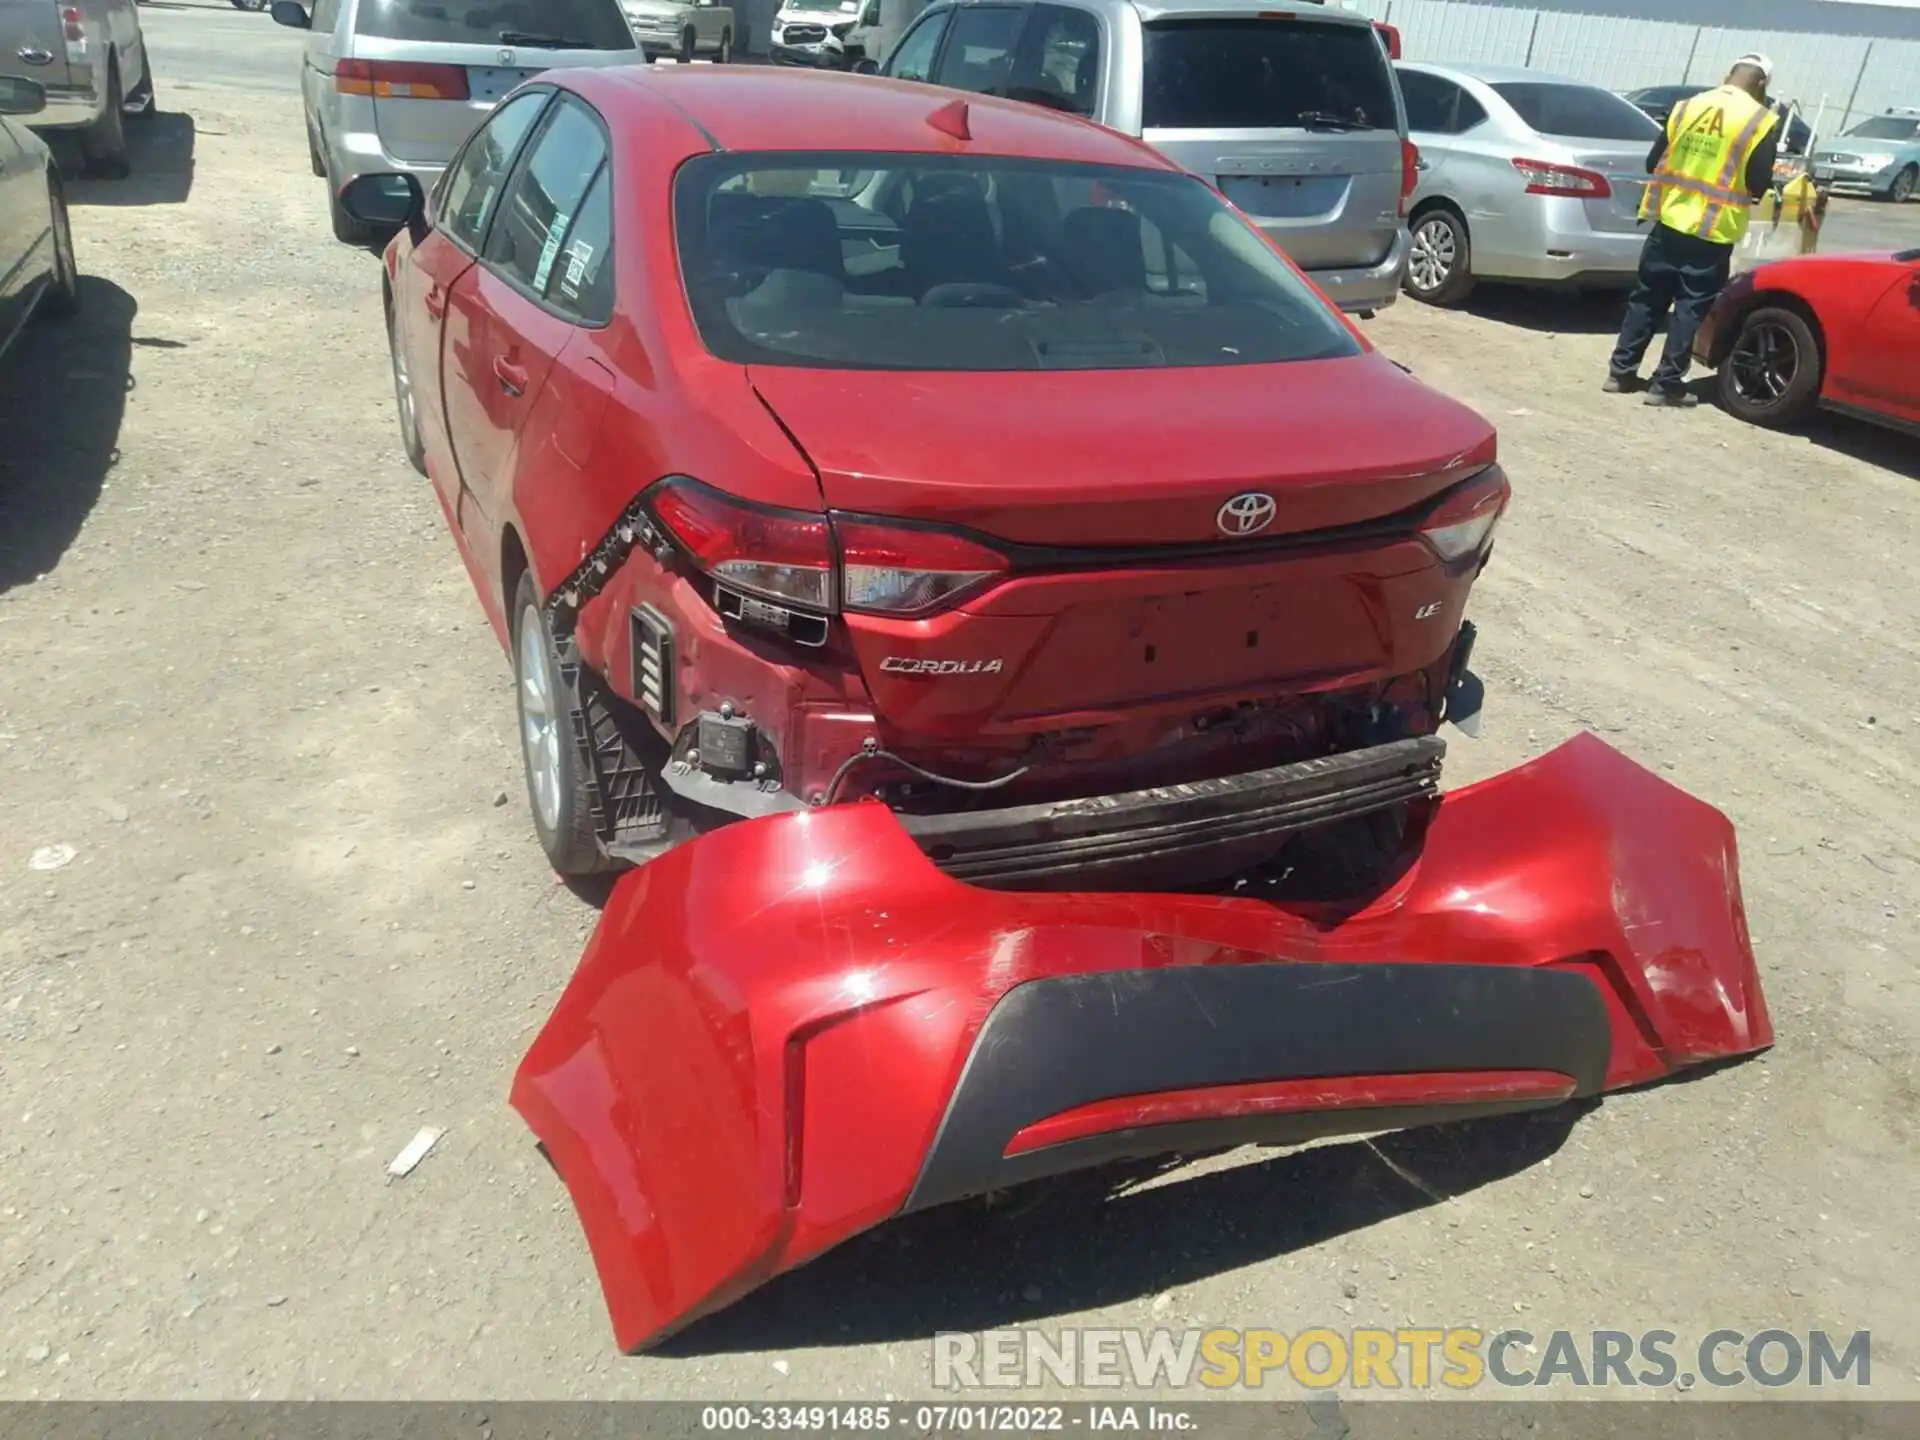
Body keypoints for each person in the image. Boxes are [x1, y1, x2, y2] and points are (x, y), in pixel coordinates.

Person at [1605, 54, 1782, 407]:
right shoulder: (1760, 120)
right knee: (1689, 308)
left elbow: (1654, 161)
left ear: (1728, 74)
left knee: (1647, 298)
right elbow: (1757, 181)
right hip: (1711, 231)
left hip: (1668, 220)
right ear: (1761, 84)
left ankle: (1620, 373)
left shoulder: (1687, 106)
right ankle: (1666, 383)